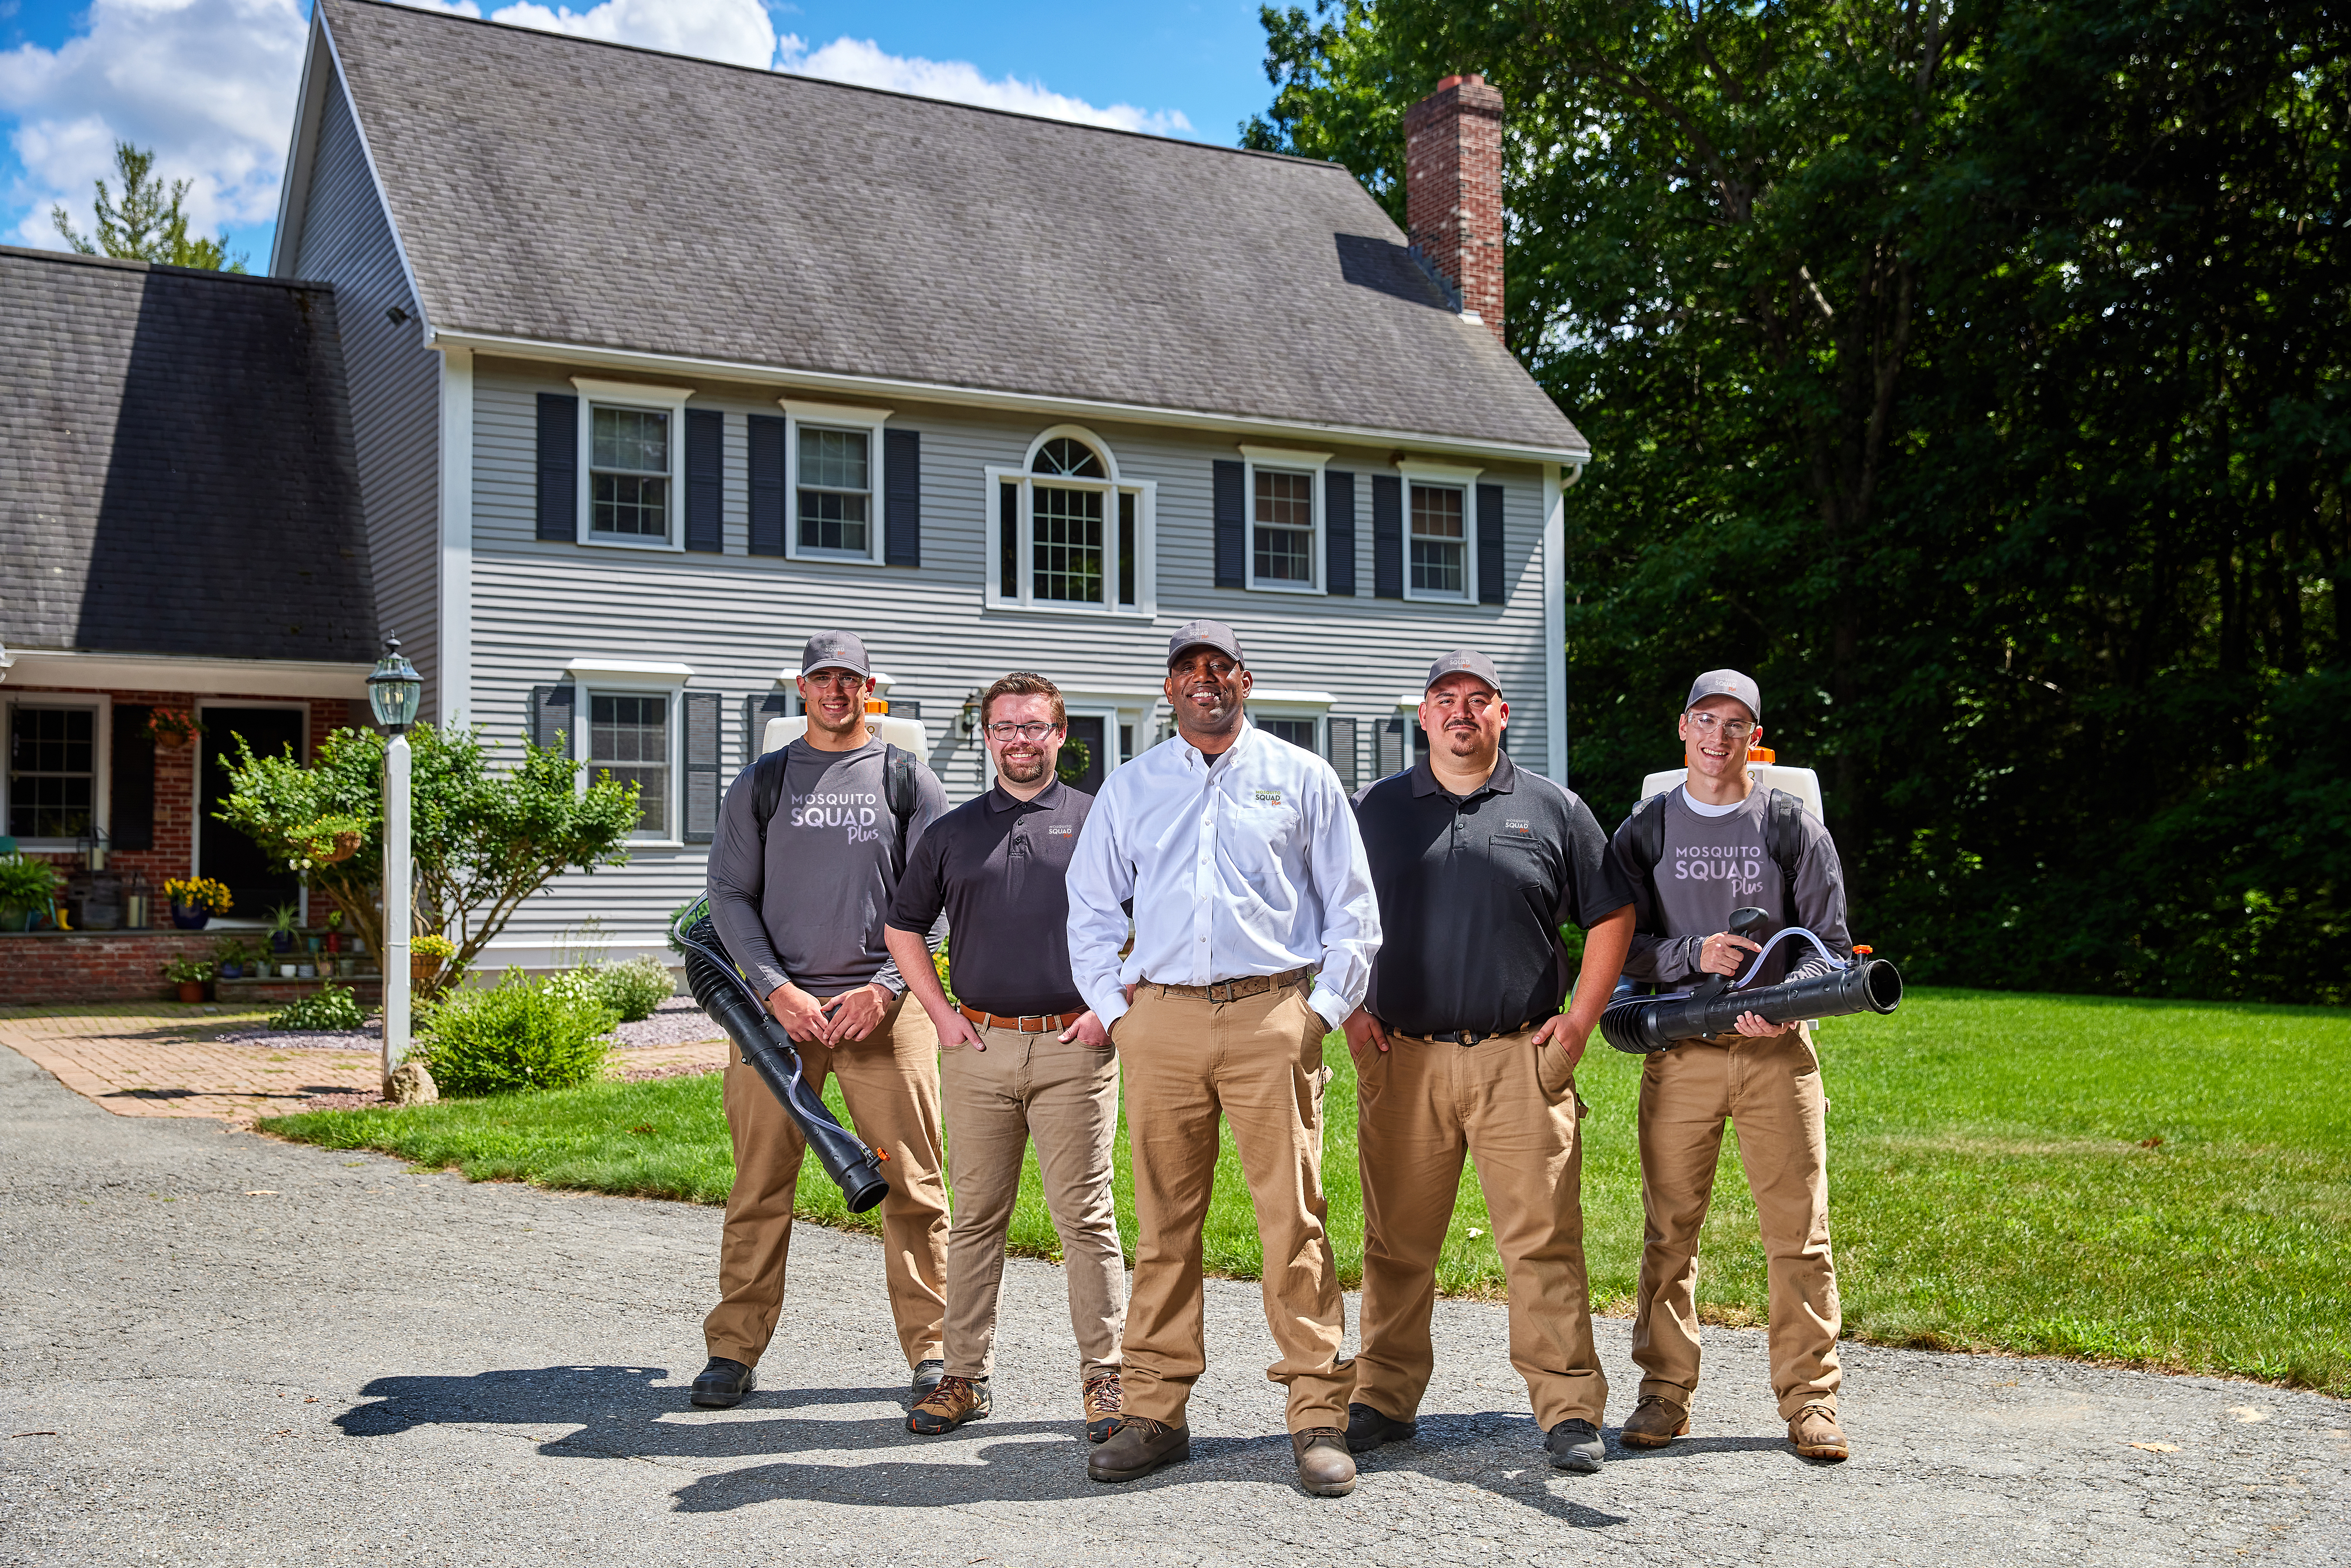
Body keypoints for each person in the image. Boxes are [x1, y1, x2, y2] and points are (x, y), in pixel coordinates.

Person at [1066, 620, 1382, 1497]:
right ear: (1168, 690)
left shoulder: (1301, 778)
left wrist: (1319, 1013)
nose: (1207, 683)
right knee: (1165, 1227)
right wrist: (1115, 1015)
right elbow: (1090, 909)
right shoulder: (1132, 788)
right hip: (1160, 1021)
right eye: (1189, 671)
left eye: (1222, 668)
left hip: (1271, 1013)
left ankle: (1318, 1415)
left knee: (1295, 1222)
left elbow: (1353, 909)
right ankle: (1155, 1413)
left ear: (1248, 679)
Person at [1344, 649, 1636, 1474]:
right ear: (1425, 716)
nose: (1462, 712)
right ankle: (1385, 1397)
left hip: (1521, 1059)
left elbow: (1613, 912)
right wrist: (1354, 1010)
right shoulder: (1379, 809)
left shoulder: (1553, 808)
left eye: (1479, 699)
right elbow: (1329, 912)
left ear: (1503, 714)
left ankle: (1570, 1409)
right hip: (1405, 1057)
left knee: (1542, 1241)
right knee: (1396, 1243)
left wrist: (1580, 1021)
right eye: (1446, 699)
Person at [693, 630, 953, 1413]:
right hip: (779, 1024)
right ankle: (732, 1350)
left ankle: (937, 1351)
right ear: (801, 690)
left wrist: (885, 987)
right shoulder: (761, 785)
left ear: (871, 690)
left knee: (913, 1188)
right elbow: (728, 897)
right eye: (822, 681)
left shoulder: (910, 781)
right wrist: (774, 990)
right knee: (758, 1186)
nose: (837, 693)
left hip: (885, 1015)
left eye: (851, 681)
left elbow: (936, 899)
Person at [1607, 669, 1854, 1462]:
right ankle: (1664, 1393)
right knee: (1669, 1233)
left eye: (1736, 725)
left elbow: (1833, 952)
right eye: (1706, 721)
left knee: (1798, 1234)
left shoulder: (1791, 828)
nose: (1718, 738)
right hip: (1682, 1055)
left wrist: (1779, 1003)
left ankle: (1811, 1401)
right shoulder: (1644, 832)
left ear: (1755, 736)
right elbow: (1616, 947)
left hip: (1777, 1055)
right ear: (1683, 728)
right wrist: (1692, 953)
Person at [883, 672, 1128, 1442]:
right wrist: (941, 1016)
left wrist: (1102, 1012)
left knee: (1085, 1218)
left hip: (1073, 1050)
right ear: (988, 737)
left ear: (1061, 736)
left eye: (1034, 727)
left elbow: (1150, 922)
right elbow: (903, 929)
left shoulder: (1100, 821)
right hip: (978, 1048)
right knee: (977, 1218)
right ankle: (963, 1377)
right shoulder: (951, 833)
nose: (1019, 740)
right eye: (1004, 728)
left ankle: (1107, 1377)